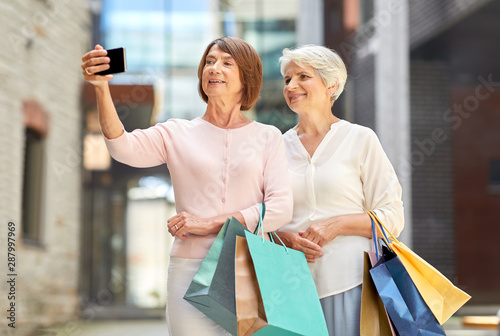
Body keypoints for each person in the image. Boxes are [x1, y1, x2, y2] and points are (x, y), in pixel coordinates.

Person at [81, 36, 293, 336]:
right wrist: (101, 88)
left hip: (250, 268)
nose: (213, 67)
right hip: (190, 271)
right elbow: (121, 147)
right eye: (209, 61)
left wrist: (211, 224)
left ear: (247, 78)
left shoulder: (268, 137)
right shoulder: (177, 132)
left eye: (226, 63)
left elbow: (281, 208)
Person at [275, 44, 404, 336]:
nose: (291, 85)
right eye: (287, 79)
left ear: (331, 84)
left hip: (352, 285)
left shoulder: (360, 139)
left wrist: (337, 224)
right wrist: (284, 237)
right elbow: (262, 219)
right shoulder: (275, 147)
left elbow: (392, 217)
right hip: (290, 288)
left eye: (302, 76)